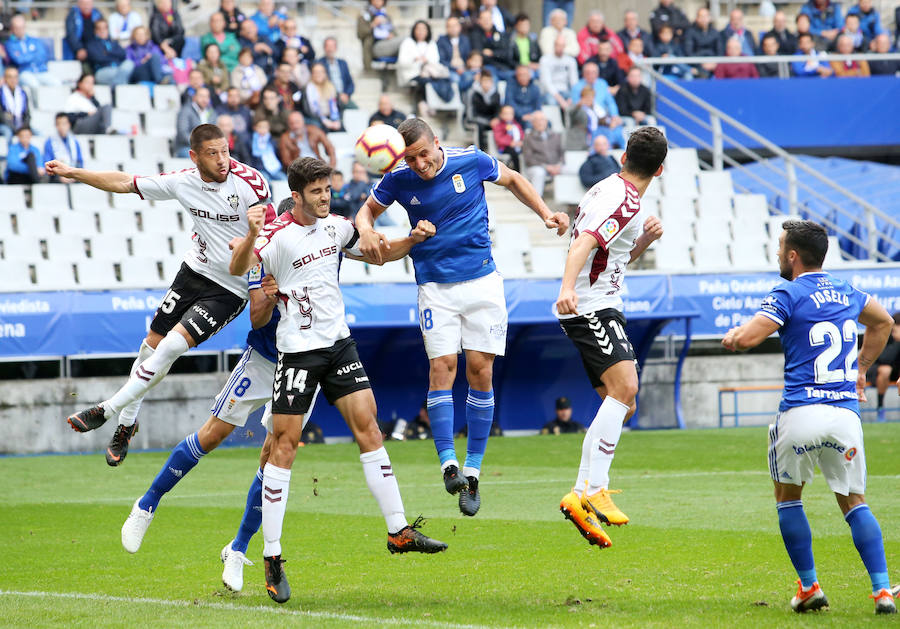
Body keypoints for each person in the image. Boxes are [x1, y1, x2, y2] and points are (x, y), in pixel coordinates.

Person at [230, 156, 448, 603]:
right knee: (283, 446)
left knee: (370, 429)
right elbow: (241, 277)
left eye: (328, 188)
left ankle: (398, 531)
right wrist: (254, 241)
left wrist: (412, 237)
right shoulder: (274, 237)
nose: (326, 196)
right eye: (316, 191)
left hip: (339, 345)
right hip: (297, 353)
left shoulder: (337, 226)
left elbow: (379, 253)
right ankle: (272, 557)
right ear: (296, 195)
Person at [355, 118, 569, 517]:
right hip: (435, 286)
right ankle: (448, 464)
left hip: (483, 282)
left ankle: (472, 473)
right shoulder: (398, 178)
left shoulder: (470, 160)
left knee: (480, 372)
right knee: (443, 368)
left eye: (424, 154)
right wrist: (366, 229)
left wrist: (544, 213)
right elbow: (364, 214)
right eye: (412, 158)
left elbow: (514, 179)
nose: (420, 164)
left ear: (437, 143)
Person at [53, 124, 274, 466]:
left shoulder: (251, 182)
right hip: (192, 273)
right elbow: (126, 183)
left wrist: (252, 242)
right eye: (213, 154)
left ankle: (108, 409)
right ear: (195, 156)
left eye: (226, 151)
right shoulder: (183, 181)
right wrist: (74, 172)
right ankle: (127, 426)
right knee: (150, 348)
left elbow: (271, 234)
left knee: (172, 345)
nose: (222, 160)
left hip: (231, 288)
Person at [722, 219, 897, 615]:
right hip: (844, 415)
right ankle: (883, 591)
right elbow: (883, 321)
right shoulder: (847, 290)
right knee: (855, 502)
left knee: (788, 498)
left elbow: (749, 338)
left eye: (781, 246)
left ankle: (809, 586)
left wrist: (734, 336)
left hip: (801, 412)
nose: (777, 253)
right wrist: (862, 367)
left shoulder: (787, 291)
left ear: (793, 256)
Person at [556, 126, 666, 549]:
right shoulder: (626, 200)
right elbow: (584, 241)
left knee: (622, 401)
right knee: (626, 388)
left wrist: (643, 242)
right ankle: (594, 489)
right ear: (660, 169)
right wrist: (568, 289)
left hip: (598, 299)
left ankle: (580, 496)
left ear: (623, 157)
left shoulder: (608, 188)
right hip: (589, 304)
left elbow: (609, 255)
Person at [6, 14, 61, 88]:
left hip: (41, 71)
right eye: (17, 28)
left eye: (21, 27)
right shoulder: (10, 44)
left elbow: (42, 56)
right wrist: (33, 53)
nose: (19, 30)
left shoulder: (35, 40)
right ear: (12, 29)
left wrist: (24, 55)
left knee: (57, 83)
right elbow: (19, 60)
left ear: (25, 27)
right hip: (25, 72)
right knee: (34, 85)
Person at [522, 109, 568, 197]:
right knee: (539, 172)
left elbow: (562, 153)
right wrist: (546, 167)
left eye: (542, 120)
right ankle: (536, 201)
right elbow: (529, 158)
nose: (540, 123)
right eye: (537, 120)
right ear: (532, 123)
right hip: (536, 167)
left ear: (546, 122)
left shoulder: (555, 135)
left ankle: (569, 201)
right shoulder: (528, 137)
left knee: (569, 170)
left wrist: (559, 165)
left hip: (555, 166)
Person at [865, 312, 900, 422]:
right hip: (877, 369)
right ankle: (880, 407)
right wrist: (897, 342)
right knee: (885, 370)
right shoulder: (887, 336)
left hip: (895, 370)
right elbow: (885, 359)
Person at [469, 8, 514, 83]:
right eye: (484, 19)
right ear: (479, 21)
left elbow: (507, 53)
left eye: (489, 18)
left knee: (515, 77)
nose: (487, 21)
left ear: (492, 20)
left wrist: (492, 53)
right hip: (486, 67)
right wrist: (497, 54)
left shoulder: (500, 34)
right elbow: (479, 53)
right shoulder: (475, 35)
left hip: (502, 66)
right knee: (492, 80)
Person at [88, 19, 136, 86]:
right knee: (121, 73)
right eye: (99, 28)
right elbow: (99, 58)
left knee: (129, 63)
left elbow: (123, 54)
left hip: (119, 68)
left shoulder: (113, 42)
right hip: (102, 71)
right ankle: (121, 88)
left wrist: (108, 53)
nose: (102, 31)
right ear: (95, 30)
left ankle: (116, 88)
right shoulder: (91, 44)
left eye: (105, 28)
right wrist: (115, 57)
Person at [539, 34, 578, 111]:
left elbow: (574, 81)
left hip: (566, 90)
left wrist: (572, 97)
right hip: (550, 92)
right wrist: (561, 100)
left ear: (565, 46)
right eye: (558, 45)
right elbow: (547, 83)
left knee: (576, 101)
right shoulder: (545, 59)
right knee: (551, 103)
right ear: (554, 45)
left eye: (562, 45)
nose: (560, 48)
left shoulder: (571, 60)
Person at [43, 113, 85, 182]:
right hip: (57, 176)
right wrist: (60, 176)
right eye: (59, 124)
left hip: (74, 175)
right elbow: (48, 163)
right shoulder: (50, 142)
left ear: (69, 125)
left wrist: (73, 176)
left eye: (64, 124)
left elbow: (79, 162)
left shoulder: (74, 141)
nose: (61, 127)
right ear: (56, 125)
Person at [175, 87, 214, 157]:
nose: (204, 99)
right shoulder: (185, 111)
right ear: (194, 97)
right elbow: (183, 133)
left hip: (207, 148)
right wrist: (198, 144)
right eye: (201, 96)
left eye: (207, 97)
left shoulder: (212, 112)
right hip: (187, 147)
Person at [319, 37, 355, 110]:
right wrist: (338, 95)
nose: (330, 49)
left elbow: (350, 83)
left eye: (332, 46)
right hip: (329, 98)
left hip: (344, 97)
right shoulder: (320, 63)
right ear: (324, 48)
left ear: (336, 48)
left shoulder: (343, 63)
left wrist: (346, 94)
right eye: (327, 46)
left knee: (355, 111)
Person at [304, 62, 342, 132]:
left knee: (340, 129)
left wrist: (337, 120)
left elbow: (338, 106)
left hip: (332, 117)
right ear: (312, 74)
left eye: (321, 72)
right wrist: (324, 120)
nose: (318, 74)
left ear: (325, 73)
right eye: (316, 72)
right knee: (323, 128)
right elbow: (308, 111)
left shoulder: (331, 87)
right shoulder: (308, 89)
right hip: (316, 118)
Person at [467, 69, 500, 150]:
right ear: (480, 82)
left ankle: (498, 151)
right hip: (477, 120)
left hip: (491, 121)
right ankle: (481, 150)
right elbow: (471, 115)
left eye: (489, 81)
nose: (487, 84)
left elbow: (498, 110)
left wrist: (496, 119)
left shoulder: (496, 94)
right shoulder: (473, 94)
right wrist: (489, 122)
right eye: (484, 81)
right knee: (480, 126)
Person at [437, 16, 472, 90]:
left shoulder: (465, 40)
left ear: (459, 27)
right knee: (456, 79)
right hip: (449, 69)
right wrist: (455, 69)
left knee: (470, 77)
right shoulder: (441, 41)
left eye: (455, 25)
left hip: (464, 68)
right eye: (450, 26)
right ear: (446, 28)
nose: (453, 28)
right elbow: (442, 60)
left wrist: (466, 67)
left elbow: (469, 56)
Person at [0, 67, 30, 142]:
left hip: (20, 124)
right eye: (10, 77)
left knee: (38, 133)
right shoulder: (1, 93)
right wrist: (16, 129)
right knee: (8, 133)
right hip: (4, 125)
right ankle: (10, 153)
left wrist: (24, 127)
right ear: (5, 78)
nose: (13, 80)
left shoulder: (22, 93)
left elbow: (27, 114)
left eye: (15, 77)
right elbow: (2, 117)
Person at [493, 104, 523, 170]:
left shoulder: (516, 125)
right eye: (506, 113)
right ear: (501, 115)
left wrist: (520, 142)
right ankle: (518, 171)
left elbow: (521, 133)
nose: (508, 115)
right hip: (505, 147)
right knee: (513, 153)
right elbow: (499, 138)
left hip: (517, 145)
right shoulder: (499, 125)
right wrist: (510, 142)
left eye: (510, 113)